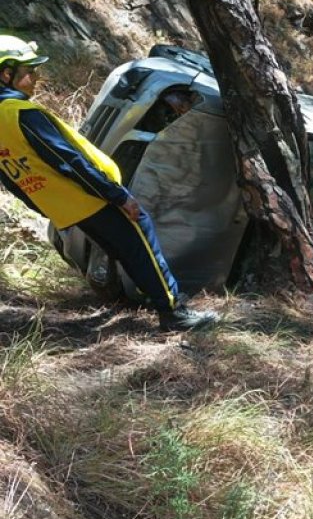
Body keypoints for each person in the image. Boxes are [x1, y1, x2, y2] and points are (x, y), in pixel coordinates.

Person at [0, 35, 216, 332]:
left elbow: (10, 179)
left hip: (67, 206)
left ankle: (138, 293)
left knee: (121, 249)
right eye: (29, 71)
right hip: (91, 197)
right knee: (140, 242)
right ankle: (173, 312)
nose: (36, 77)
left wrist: (45, 208)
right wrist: (116, 196)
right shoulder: (22, 114)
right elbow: (69, 160)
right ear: (6, 74)